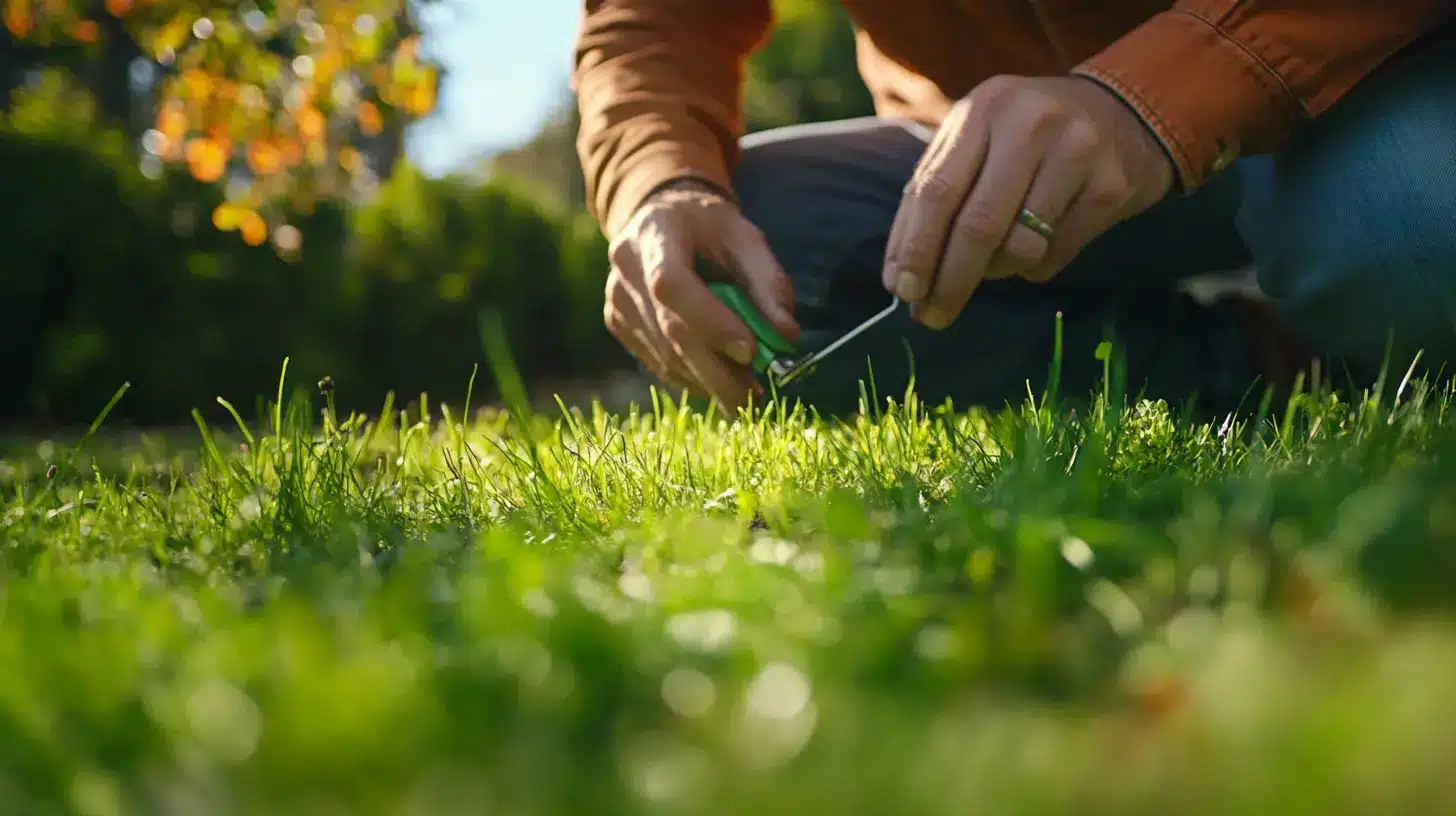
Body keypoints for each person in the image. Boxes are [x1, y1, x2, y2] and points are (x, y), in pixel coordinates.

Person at [572, 1, 1456, 419]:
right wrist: (659, 181)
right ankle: (1265, 361)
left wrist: (1159, 92)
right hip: (994, 161)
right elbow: (652, 17)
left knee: (1416, 225)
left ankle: (1361, 301)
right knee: (768, 256)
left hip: (1339, 93)